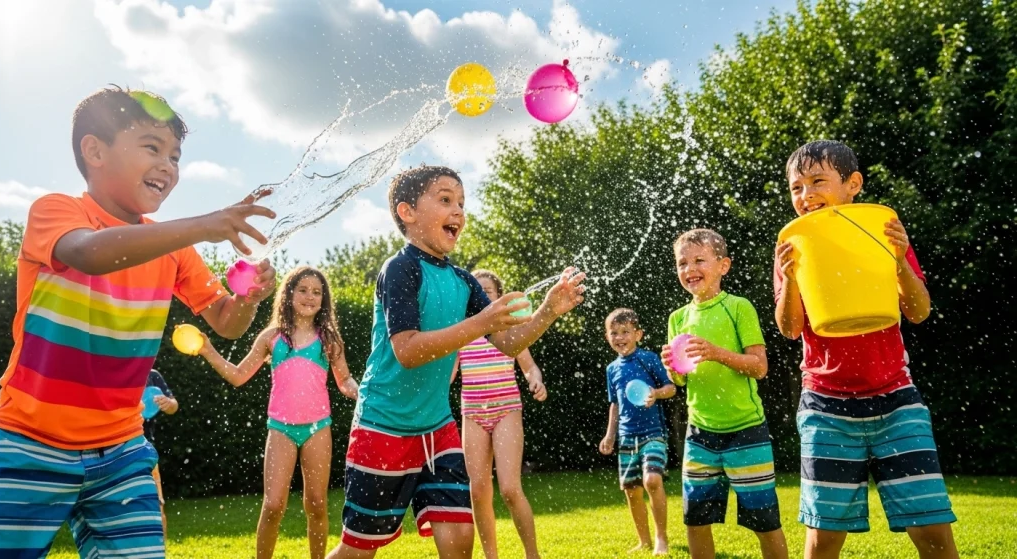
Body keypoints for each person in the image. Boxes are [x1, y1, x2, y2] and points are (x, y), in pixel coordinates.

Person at [0, 86, 277, 558]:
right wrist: (204, 225)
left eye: (175, 156)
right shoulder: (58, 212)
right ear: (95, 151)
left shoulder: (174, 249)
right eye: (152, 147)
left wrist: (248, 296)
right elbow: (89, 253)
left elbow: (227, 322)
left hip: (121, 451)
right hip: (28, 441)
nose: (168, 166)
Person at [326, 165, 586, 559]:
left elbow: (507, 344)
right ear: (408, 212)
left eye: (462, 202)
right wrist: (480, 322)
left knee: (460, 541)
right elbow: (407, 351)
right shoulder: (400, 269)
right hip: (383, 426)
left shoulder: (464, 281)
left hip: (438, 429)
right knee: (358, 550)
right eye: (445, 199)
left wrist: (547, 311)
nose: (459, 211)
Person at [775, 140, 958, 559]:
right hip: (825, 404)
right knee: (823, 536)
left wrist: (899, 259)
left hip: (896, 398)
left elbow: (919, 311)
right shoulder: (793, 246)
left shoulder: (883, 232)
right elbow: (789, 328)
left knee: (932, 528)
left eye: (817, 182)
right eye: (796, 188)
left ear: (853, 184)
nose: (806, 195)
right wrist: (791, 278)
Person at [198, 266, 358, 559]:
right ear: (289, 294)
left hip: (317, 428)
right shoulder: (271, 337)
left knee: (317, 504)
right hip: (281, 429)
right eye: (303, 290)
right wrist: (208, 349)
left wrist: (357, 390)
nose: (310, 296)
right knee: (273, 506)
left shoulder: (329, 339)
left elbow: (344, 379)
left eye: (317, 292)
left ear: (323, 300)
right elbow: (238, 376)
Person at [662, 229, 788, 559]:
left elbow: (759, 367)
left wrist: (717, 353)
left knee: (764, 521)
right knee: (695, 520)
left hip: (746, 430)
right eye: (682, 263)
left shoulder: (738, 307)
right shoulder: (677, 318)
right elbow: (680, 381)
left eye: (699, 260)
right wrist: (670, 367)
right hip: (700, 434)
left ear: (723, 266)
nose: (690, 269)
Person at [453, 269, 547, 559]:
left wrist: (536, 380)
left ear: (499, 298)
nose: (482, 295)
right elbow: (447, 374)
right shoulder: (461, 333)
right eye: (477, 291)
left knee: (509, 489)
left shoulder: (509, 331)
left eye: (488, 291)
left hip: (506, 410)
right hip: (473, 413)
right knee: (478, 491)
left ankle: (532, 555)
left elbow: (529, 367)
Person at [599, 308, 675, 556]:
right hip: (626, 436)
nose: (620, 337)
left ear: (638, 334)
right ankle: (644, 541)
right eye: (614, 333)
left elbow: (671, 388)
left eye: (625, 332)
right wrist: (610, 435)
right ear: (607, 336)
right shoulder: (612, 369)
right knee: (631, 490)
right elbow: (615, 404)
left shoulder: (648, 359)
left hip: (653, 432)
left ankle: (661, 538)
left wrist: (656, 393)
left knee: (652, 480)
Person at [143, 368, 179, 540]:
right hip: (117, 448)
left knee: (157, 504)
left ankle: (159, 547)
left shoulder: (152, 375)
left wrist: (168, 403)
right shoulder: (115, 373)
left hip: (146, 450)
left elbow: (174, 405)